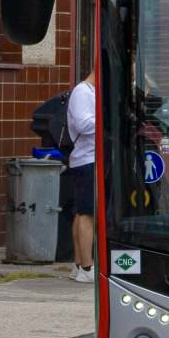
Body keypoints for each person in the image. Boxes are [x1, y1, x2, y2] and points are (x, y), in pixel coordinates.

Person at [67, 68, 98, 283]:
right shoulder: (83, 92)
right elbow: (84, 124)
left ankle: (79, 265)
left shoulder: (90, 92)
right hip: (87, 159)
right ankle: (87, 267)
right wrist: (108, 117)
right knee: (87, 214)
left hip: (88, 159)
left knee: (82, 212)